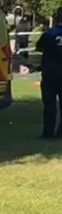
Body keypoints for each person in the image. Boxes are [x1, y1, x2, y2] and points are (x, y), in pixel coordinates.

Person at [38, 10, 62, 139]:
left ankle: (48, 133)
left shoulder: (49, 33)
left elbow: (39, 47)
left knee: (49, 105)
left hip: (50, 72)